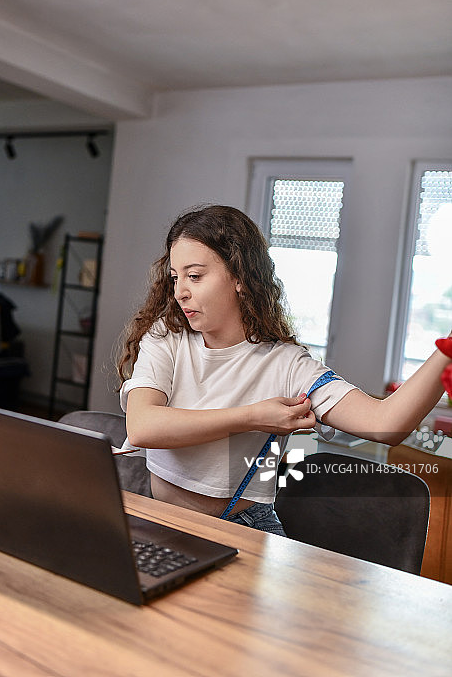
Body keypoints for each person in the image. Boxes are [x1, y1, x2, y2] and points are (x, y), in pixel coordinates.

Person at [117, 205, 451, 535]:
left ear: (239, 278)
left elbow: (386, 426)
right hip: (160, 517)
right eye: (175, 277)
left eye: (195, 276)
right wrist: (251, 417)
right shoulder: (167, 337)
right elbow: (144, 426)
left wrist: (447, 352)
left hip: (244, 528)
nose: (180, 292)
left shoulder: (287, 364)